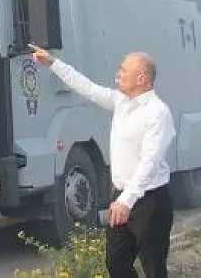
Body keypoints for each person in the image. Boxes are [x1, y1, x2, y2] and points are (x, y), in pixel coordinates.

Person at [29, 45, 176, 278]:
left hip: (150, 200)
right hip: (122, 197)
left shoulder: (157, 113)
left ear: (141, 77)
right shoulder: (120, 102)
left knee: (154, 267)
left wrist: (127, 201)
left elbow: (150, 162)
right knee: (116, 263)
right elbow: (86, 87)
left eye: (123, 70)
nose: (118, 74)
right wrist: (52, 63)